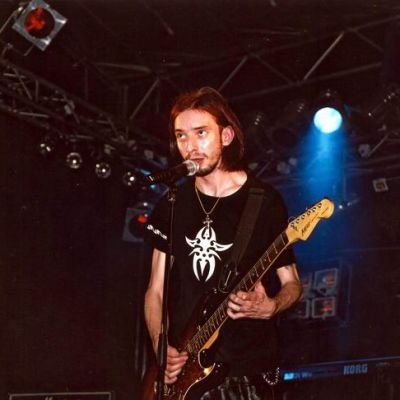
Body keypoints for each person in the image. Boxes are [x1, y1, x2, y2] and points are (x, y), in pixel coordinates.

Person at [144, 86, 303, 399]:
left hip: (247, 371)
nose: (190, 146)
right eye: (181, 136)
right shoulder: (172, 204)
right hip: (187, 374)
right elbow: (155, 290)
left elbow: (293, 284)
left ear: (226, 136)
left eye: (201, 133)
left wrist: (271, 306)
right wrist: (162, 348)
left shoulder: (263, 202)